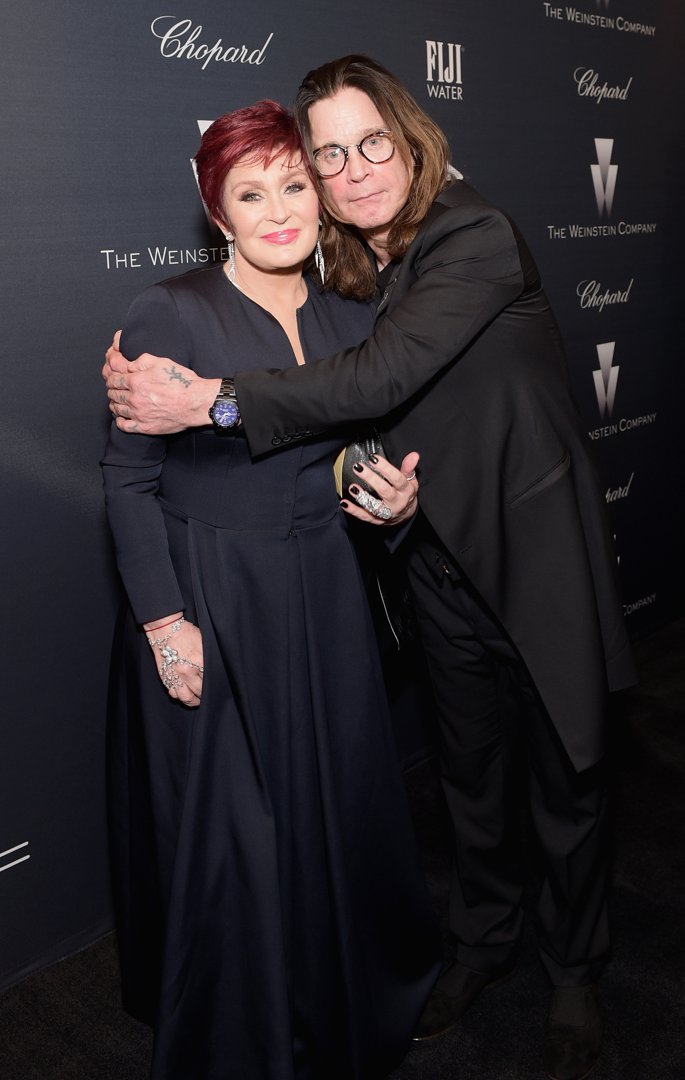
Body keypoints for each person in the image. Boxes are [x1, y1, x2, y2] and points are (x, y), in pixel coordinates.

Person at [104, 57, 636, 1080]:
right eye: (327, 155)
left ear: (412, 136)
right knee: (470, 778)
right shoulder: (352, 272)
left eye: (370, 143)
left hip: (532, 557)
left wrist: (209, 400)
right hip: (432, 562)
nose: (352, 170)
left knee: (566, 777)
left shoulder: (472, 233)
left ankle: (574, 969)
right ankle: (483, 944)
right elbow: (352, 422)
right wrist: (373, 492)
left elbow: (376, 376)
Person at [101, 99, 441, 1080]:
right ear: (218, 212)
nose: (280, 209)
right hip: (214, 595)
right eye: (251, 193)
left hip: (322, 589)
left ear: (321, 197)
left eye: (295, 185)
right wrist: (167, 624)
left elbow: (356, 456)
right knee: (239, 841)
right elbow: (126, 479)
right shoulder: (168, 311)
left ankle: (352, 991)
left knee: (337, 803)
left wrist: (391, 499)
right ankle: (248, 1027)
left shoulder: (354, 311)